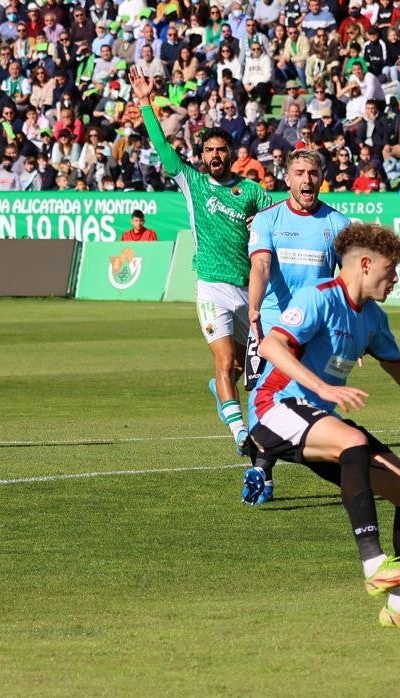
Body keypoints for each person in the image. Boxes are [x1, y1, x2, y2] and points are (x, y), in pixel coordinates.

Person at [251, 222, 400, 631]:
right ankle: (373, 564)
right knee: (352, 439)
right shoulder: (318, 298)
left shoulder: (373, 318)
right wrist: (322, 388)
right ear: (365, 265)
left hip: (319, 420)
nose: (396, 279)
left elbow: (396, 365)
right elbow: (270, 345)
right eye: (391, 270)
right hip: (275, 408)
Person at [130, 66, 273, 456]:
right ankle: (241, 435)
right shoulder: (193, 183)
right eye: (208, 150)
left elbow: (279, 220)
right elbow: (162, 149)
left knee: (248, 369)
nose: (214, 155)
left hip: (251, 291)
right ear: (202, 154)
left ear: (231, 155)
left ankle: (221, 392)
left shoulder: (250, 191)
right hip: (211, 285)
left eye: (220, 150)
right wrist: (145, 103)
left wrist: (261, 220)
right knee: (224, 361)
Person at [241, 148, 351, 506]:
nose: (307, 179)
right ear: (286, 178)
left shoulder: (337, 224)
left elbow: (348, 282)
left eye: (313, 173)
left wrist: (353, 331)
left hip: (318, 333)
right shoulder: (268, 220)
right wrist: (254, 309)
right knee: (266, 400)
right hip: (272, 327)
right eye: (299, 172)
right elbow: (259, 267)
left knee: (309, 403)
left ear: (321, 178)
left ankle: (266, 468)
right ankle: (264, 472)